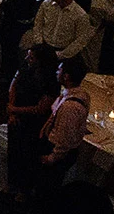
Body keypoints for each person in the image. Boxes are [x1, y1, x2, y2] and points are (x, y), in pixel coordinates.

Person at [7, 47, 59, 197]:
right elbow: (13, 85)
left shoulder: (51, 82)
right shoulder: (26, 67)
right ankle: (11, 181)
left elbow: (40, 109)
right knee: (13, 149)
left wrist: (15, 110)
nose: (26, 59)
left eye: (31, 58)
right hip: (17, 115)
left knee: (26, 155)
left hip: (33, 124)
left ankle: (23, 189)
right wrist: (12, 112)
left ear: (41, 62)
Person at [37, 59, 91, 198]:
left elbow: (65, 138)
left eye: (59, 70)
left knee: (48, 186)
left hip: (58, 151)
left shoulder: (70, 108)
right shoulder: (79, 93)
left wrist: (52, 158)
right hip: (56, 144)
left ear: (66, 76)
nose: (56, 72)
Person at [26, 0, 92, 61]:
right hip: (43, 46)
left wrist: (60, 55)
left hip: (62, 53)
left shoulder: (80, 15)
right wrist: (39, 44)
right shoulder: (46, 4)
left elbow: (80, 41)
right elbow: (38, 24)